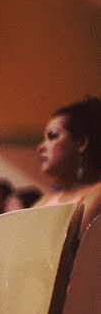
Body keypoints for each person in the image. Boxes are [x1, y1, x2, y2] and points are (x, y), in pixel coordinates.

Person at [34, 96, 101, 233]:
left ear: (81, 142)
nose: (40, 147)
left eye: (52, 136)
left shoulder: (97, 196)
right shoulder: (47, 199)